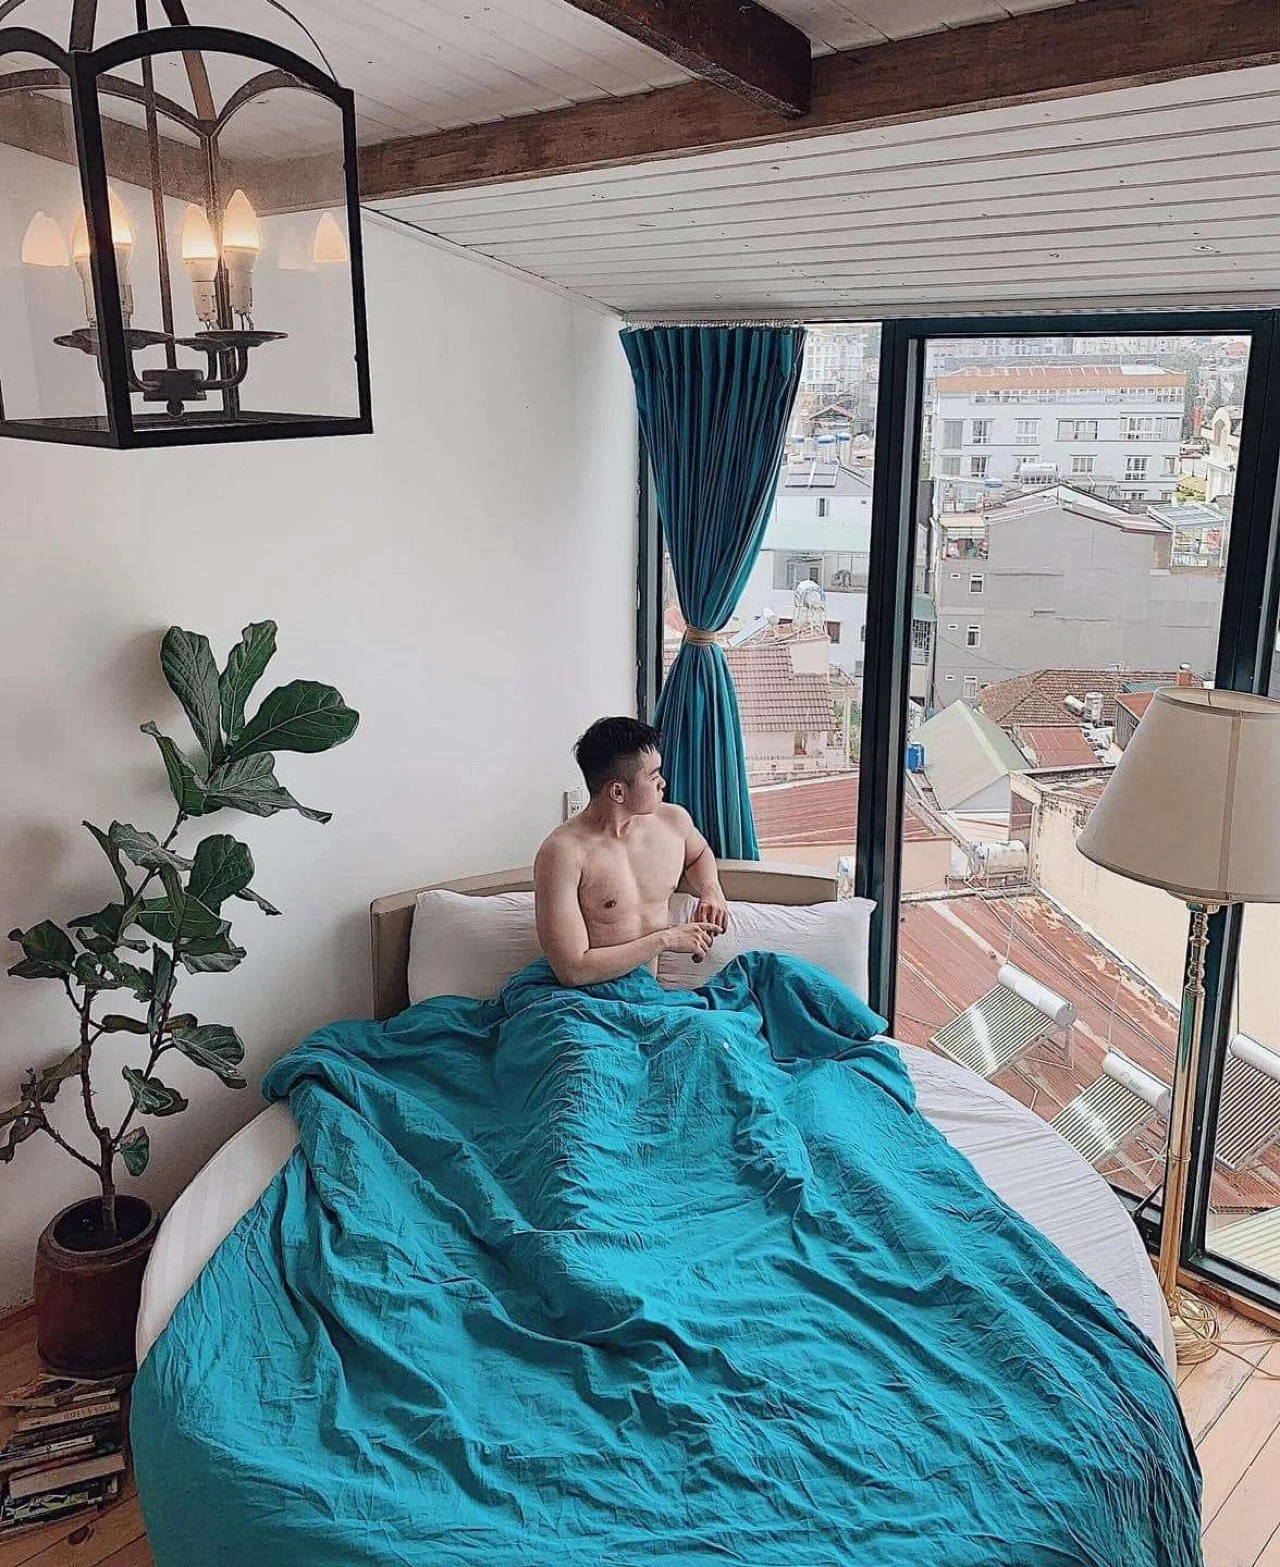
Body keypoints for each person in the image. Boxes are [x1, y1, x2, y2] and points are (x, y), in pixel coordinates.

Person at [534, 717, 730, 987]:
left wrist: (711, 889)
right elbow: (572, 971)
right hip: (587, 994)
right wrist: (667, 939)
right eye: (654, 776)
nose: (663, 783)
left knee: (771, 974)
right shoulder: (562, 853)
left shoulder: (673, 821)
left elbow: (699, 853)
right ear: (618, 792)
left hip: (645, 994)